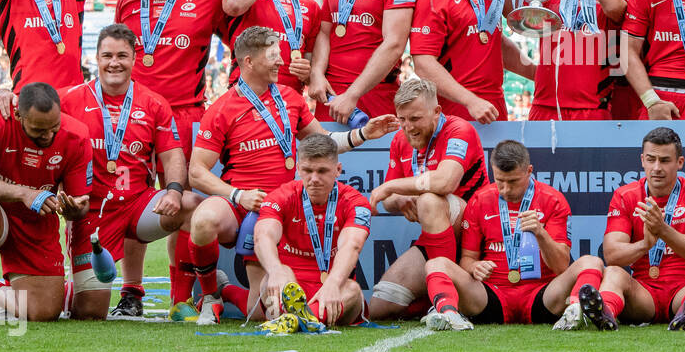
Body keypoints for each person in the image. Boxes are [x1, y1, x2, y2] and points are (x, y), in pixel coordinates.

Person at [188, 27, 384, 325]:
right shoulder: (222, 108)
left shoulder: (291, 99)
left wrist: (362, 135)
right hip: (242, 204)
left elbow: (324, 143)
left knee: (262, 306)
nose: (281, 62)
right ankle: (210, 296)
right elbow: (196, 173)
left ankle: (228, 290)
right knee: (202, 220)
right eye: (273, 56)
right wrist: (238, 195)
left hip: (284, 207)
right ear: (249, 61)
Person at [114, 0, 230, 311]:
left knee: (182, 203)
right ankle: (131, 292)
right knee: (130, 201)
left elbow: (239, 44)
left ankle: (182, 298)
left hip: (184, 116)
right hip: (134, 118)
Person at [57, 24, 198, 318]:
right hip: (90, 210)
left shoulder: (154, 102)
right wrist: (7, 95)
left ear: (134, 59)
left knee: (193, 206)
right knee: (90, 313)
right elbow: (33, 108)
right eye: (107, 55)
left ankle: (190, 296)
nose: (114, 62)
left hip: (137, 203)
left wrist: (173, 190)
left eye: (122, 55)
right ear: (95, 58)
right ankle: (65, 290)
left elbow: (173, 154)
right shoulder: (69, 100)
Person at [0, 83, 92, 327]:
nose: (48, 136)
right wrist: (25, 194)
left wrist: (73, 209)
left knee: (44, 312)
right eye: (39, 130)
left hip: (36, 221)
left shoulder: (77, 136)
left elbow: (80, 204)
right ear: (18, 115)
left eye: (54, 128)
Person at [422, 139, 594, 331]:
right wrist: (475, 267)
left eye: (513, 181)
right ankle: (449, 315)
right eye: (499, 181)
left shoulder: (553, 200)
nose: (505, 189)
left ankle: (576, 311)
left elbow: (562, 266)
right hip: (490, 295)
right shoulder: (480, 200)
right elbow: (468, 260)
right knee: (435, 264)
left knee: (591, 262)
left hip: (542, 295)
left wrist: (540, 233)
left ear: (529, 171)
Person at [365, 78, 489, 321]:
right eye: (402, 119)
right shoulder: (400, 140)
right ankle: (435, 302)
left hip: (475, 231)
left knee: (430, 200)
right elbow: (390, 202)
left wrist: (392, 187)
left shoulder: (459, 129)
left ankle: (446, 298)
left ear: (436, 112)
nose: (408, 127)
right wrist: (399, 200)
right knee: (381, 305)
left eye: (415, 119)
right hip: (437, 236)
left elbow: (445, 182)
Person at [577, 127, 685, 331]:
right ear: (642, 160)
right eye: (651, 159)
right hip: (644, 296)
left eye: (664, 160)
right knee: (613, 272)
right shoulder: (625, 195)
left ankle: (684, 317)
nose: (656, 168)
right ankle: (605, 313)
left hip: (684, 289)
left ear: (680, 163)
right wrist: (645, 244)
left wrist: (662, 230)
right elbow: (612, 255)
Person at [252, 134, 374, 329]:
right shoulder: (281, 196)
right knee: (275, 275)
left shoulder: (355, 202)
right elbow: (263, 236)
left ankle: (293, 321)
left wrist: (333, 282)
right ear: (298, 168)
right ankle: (305, 320)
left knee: (351, 289)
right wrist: (275, 271)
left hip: (332, 286)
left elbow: (352, 245)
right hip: (289, 284)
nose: (314, 179)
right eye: (308, 170)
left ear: (338, 170)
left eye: (322, 171)